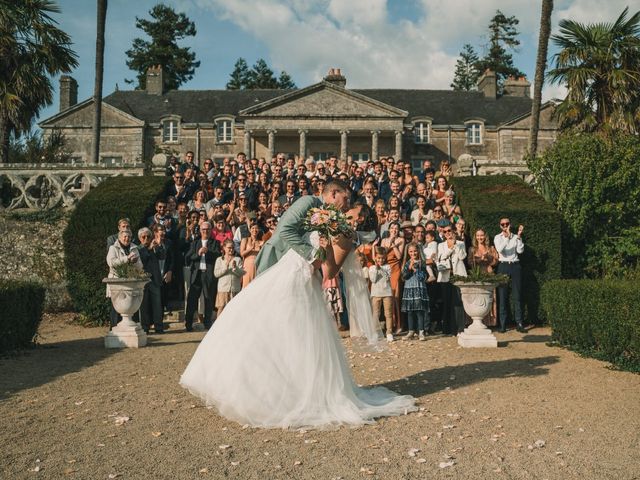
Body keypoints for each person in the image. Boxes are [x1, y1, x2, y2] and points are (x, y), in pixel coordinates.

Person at [180, 181, 417, 428]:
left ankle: (283, 391)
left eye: (351, 208)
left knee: (290, 333)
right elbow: (285, 232)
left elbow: (330, 270)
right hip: (282, 266)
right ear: (333, 194)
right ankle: (241, 383)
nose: (347, 207)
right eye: (345, 201)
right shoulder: (310, 204)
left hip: (301, 278)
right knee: (250, 319)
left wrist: (325, 250)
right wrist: (316, 252)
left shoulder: (340, 228)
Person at [184, 221, 221, 331]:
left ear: (211, 230)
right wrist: (198, 254)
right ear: (200, 231)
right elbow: (188, 257)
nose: (206, 231)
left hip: (208, 274)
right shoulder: (195, 243)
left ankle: (207, 323)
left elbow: (218, 255)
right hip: (197, 274)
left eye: (208, 229)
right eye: (203, 229)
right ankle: (188, 324)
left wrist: (207, 252)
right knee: (192, 300)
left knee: (208, 299)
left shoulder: (215, 242)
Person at [106, 230, 142, 328]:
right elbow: (112, 263)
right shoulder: (113, 248)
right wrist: (127, 259)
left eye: (129, 237)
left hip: (131, 284)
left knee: (132, 308)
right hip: (117, 283)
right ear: (119, 238)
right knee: (117, 310)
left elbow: (140, 267)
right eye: (125, 237)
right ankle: (114, 332)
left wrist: (135, 262)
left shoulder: (134, 248)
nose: (127, 239)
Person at [494, 218, 525, 333]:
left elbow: (520, 251)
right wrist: (507, 238)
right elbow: (500, 249)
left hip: (515, 266)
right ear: (500, 226)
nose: (505, 226)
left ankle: (519, 323)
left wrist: (519, 237)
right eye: (503, 224)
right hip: (503, 266)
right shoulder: (498, 237)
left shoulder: (516, 236)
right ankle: (502, 325)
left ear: (510, 224)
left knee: (517, 295)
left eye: (507, 224)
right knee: (503, 295)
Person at [436, 224, 467, 334]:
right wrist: (450, 248)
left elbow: (462, 257)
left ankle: (460, 328)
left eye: (449, 230)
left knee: (458, 302)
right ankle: (448, 328)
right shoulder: (441, 245)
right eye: (445, 232)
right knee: (447, 302)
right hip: (446, 276)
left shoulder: (461, 243)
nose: (447, 233)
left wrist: (455, 245)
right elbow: (441, 257)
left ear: (453, 231)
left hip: (458, 275)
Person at [468, 228, 499, 327]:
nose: (480, 237)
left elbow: (495, 261)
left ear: (485, 236)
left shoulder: (491, 248)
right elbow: (469, 262)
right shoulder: (472, 249)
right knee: (479, 299)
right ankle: (478, 322)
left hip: (489, 275)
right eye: (478, 235)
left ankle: (490, 322)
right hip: (477, 275)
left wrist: (492, 261)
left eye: (481, 235)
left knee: (490, 299)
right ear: (475, 237)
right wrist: (478, 260)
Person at [401, 243, 430, 341]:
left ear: (418, 251)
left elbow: (423, 277)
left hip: (419, 287)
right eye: (411, 251)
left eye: (415, 251)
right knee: (410, 311)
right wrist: (409, 268)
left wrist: (415, 269)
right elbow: (404, 277)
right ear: (408, 252)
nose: (413, 253)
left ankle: (421, 331)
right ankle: (411, 331)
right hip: (409, 288)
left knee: (419, 311)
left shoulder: (422, 262)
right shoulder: (407, 262)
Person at [137, 227, 164, 334]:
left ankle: (159, 327)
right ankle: (145, 327)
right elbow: (141, 260)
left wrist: (158, 247)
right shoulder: (137, 248)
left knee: (157, 304)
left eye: (148, 236)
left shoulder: (154, 247)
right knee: (144, 306)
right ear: (140, 238)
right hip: (143, 280)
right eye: (144, 237)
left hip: (155, 280)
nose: (146, 239)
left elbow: (162, 256)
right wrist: (148, 250)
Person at [380, 221, 405, 334]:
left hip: (395, 269)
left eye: (396, 228)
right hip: (386, 269)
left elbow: (399, 256)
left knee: (395, 297)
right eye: (392, 228)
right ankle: (391, 324)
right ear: (389, 229)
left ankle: (399, 324)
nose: (394, 230)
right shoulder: (384, 240)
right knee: (387, 297)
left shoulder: (401, 240)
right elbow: (383, 255)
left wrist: (394, 244)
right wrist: (390, 240)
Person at [368, 247, 395, 342]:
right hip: (375, 294)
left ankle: (389, 332)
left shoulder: (387, 267)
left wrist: (381, 270)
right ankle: (375, 333)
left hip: (387, 293)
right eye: (379, 258)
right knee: (376, 314)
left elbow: (387, 277)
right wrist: (376, 268)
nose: (381, 260)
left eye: (383, 258)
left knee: (388, 313)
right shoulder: (371, 268)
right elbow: (373, 279)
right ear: (375, 257)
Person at [214, 240, 245, 315]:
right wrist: (225, 267)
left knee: (234, 310)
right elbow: (216, 274)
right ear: (224, 248)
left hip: (235, 289)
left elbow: (242, 273)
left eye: (233, 248)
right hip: (223, 289)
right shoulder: (219, 259)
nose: (231, 249)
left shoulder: (238, 259)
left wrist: (235, 268)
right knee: (221, 308)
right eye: (229, 248)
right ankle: (219, 326)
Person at [239, 222, 263, 288]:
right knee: (246, 286)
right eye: (253, 228)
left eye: (256, 228)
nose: (254, 230)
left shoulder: (261, 242)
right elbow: (242, 253)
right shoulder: (245, 240)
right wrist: (250, 249)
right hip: (247, 265)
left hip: (257, 265)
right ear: (249, 229)